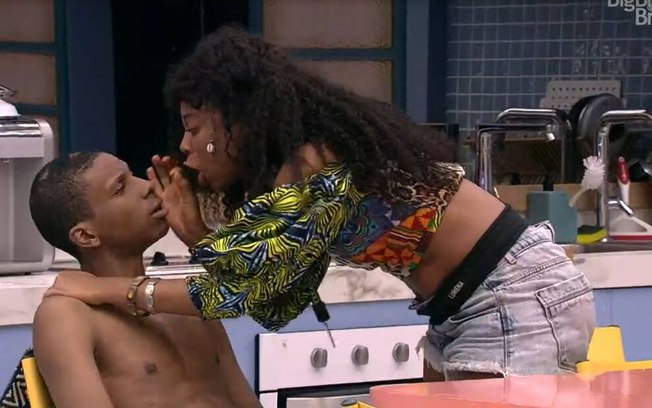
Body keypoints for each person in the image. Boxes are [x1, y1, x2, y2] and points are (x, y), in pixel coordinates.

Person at [45, 26, 596, 382]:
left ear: (236, 122)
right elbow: (276, 302)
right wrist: (200, 239)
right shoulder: (292, 176)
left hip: (510, 296)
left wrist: (106, 288)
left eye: (194, 128)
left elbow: (235, 294)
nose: (185, 147)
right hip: (464, 306)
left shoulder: (316, 163)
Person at [25, 152, 261, 408]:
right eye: (120, 188)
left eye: (133, 175)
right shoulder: (68, 314)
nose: (147, 186)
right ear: (86, 235)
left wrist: (197, 235)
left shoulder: (187, 302)